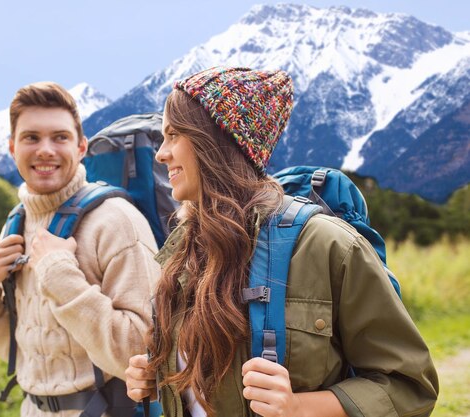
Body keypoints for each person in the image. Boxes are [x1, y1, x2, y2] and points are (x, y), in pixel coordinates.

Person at [125, 67, 439, 417]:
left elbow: (410, 385)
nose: (161, 154)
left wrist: (299, 406)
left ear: (215, 141)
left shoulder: (327, 245)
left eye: (174, 135)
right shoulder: (182, 251)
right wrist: (156, 377)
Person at [0, 81, 161, 417]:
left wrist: (59, 274)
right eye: (31, 138)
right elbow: (18, 347)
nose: (45, 150)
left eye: (60, 137)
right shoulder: (16, 224)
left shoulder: (116, 221)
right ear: (12, 148)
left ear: (81, 147)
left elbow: (142, 348)